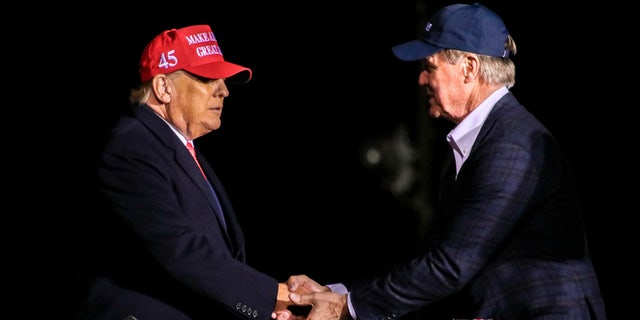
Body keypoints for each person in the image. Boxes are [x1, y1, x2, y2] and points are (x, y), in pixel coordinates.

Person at [280, 3, 607, 320]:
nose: (421, 79)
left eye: (429, 67)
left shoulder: (511, 144)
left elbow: (449, 267)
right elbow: (430, 258)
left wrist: (344, 309)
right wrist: (336, 295)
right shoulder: (474, 143)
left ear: (469, 68)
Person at [73, 24, 305, 320]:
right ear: (163, 88)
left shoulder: (177, 147)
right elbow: (181, 250)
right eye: (209, 78)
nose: (224, 90)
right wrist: (276, 297)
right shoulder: (129, 147)